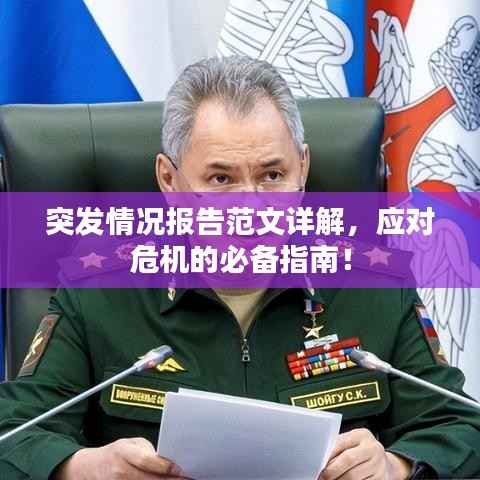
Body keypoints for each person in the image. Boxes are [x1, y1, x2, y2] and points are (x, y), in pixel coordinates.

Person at [0, 56, 479, 480]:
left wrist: (397, 467)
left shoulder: (375, 282)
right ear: (169, 180)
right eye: (220, 179)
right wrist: (81, 468)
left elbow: (461, 427)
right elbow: (13, 435)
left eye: (272, 175)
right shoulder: (99, 289)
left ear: (303, 170)